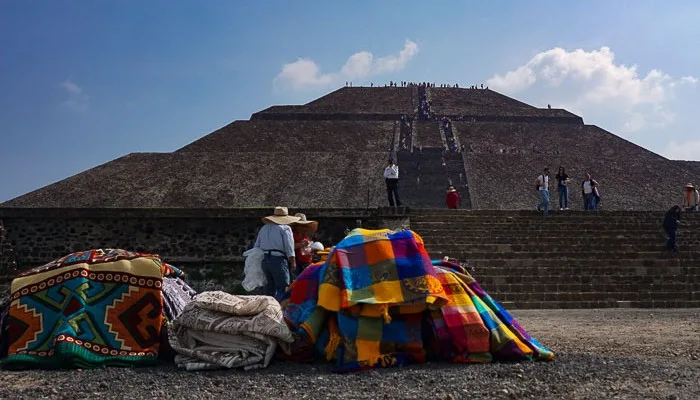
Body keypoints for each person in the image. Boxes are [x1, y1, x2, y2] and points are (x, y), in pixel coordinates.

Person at [253, 206, 299, 299]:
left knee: (269, 289)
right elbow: (289, 246)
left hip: (265, 259)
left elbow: (256, 246)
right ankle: (279, 309)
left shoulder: (264, 228)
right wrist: (293, 260)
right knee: (282, 287)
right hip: (278, 260)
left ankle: (269, 309)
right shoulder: (285, 228)